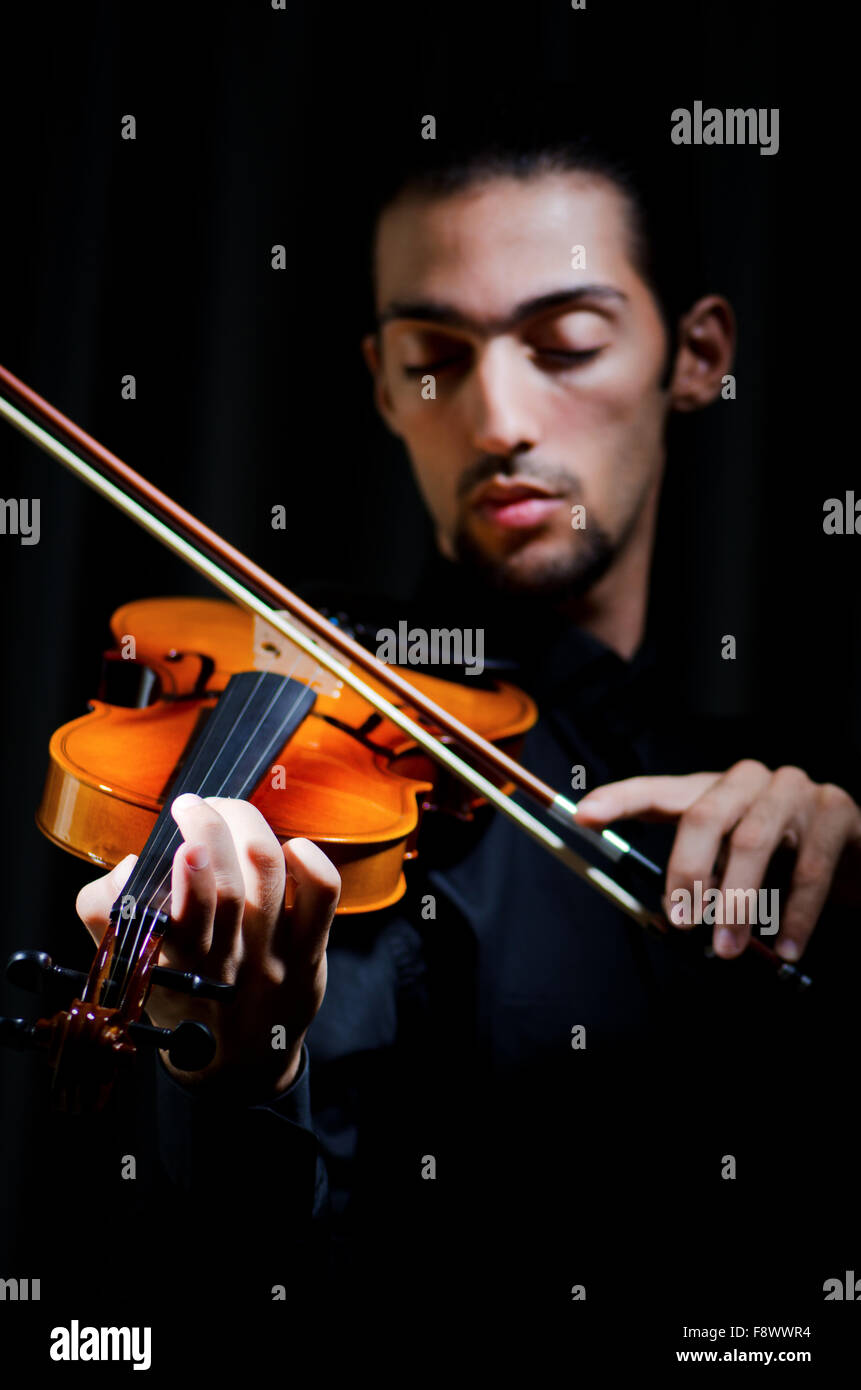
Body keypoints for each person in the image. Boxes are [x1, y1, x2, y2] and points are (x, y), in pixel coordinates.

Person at [75, 135, 861, 1324]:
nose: (498, 416)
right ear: (387, 386)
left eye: (567, 344)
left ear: (697, 356)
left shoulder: (780, 792)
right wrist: (242, 1078)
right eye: (436, 358)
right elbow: (232, 1286)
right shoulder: (314, 771)